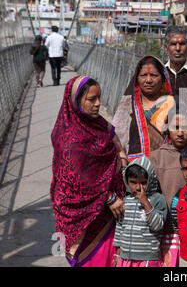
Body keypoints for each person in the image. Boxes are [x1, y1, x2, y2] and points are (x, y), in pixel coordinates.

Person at [51, 76, 127, 267]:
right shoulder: (67, 138)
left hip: (107, 214)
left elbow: (118, 147)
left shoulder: (100, 124)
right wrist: (108, 197)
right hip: (82, 215)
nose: (98, 104)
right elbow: (77, 181)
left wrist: (122, 160)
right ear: (75, 101)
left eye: (99, 98)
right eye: (91, 99)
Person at [149, 102, 187, 267]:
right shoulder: (156, 158)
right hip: (165, 230)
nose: (180, 132)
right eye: (175, 126)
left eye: (185, 127)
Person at [112, 55, 174, 160]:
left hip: (164, 163)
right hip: (132, 167)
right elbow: (117, 136)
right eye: (144, 75)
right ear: (137, 79)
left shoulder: (172, 104)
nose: (148, 80)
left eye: (154, 75)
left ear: (163, 78)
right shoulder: (128, 105)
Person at [113, 157, 168, 267]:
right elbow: (120, 227)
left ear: (150, 180)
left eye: (143, 183)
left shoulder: (157, 199)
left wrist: (146, 203)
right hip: (125, 259)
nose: (138, 187)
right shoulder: (126, 201)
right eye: (133, 182)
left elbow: (157, 226)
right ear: (127, 181)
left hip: (147, 259)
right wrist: (118, 255)